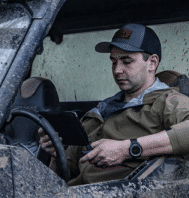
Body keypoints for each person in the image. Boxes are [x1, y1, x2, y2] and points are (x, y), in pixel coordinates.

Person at [39, 23, 189, 186]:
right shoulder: (99, 112)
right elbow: (62, 176)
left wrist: (127, 149)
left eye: (126, 61)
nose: (117, 70)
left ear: (152, 63)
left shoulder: (168, 101)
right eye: (113, 62)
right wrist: (56, 155)